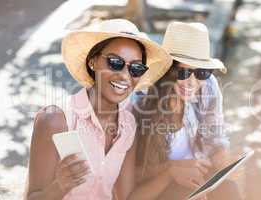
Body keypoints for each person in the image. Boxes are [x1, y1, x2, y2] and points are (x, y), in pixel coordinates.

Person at [24, 19, 172, 200]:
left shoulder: (128, 125)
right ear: (93, 62)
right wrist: (60, 186)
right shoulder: (55, 119)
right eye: (115, 62)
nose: (125, 75)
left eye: (136, 68)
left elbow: (124, 196)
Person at [128, 22, 242, 200]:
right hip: (162, 186)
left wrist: (223, 160)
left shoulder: (208, 86)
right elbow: (137, 171)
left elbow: (214, 137)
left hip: (197, 174)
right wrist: (173, 168)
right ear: (166, 70)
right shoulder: (140, 102)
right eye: (182, 73)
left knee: (229, 190)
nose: (192, 82)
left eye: (201, 73)